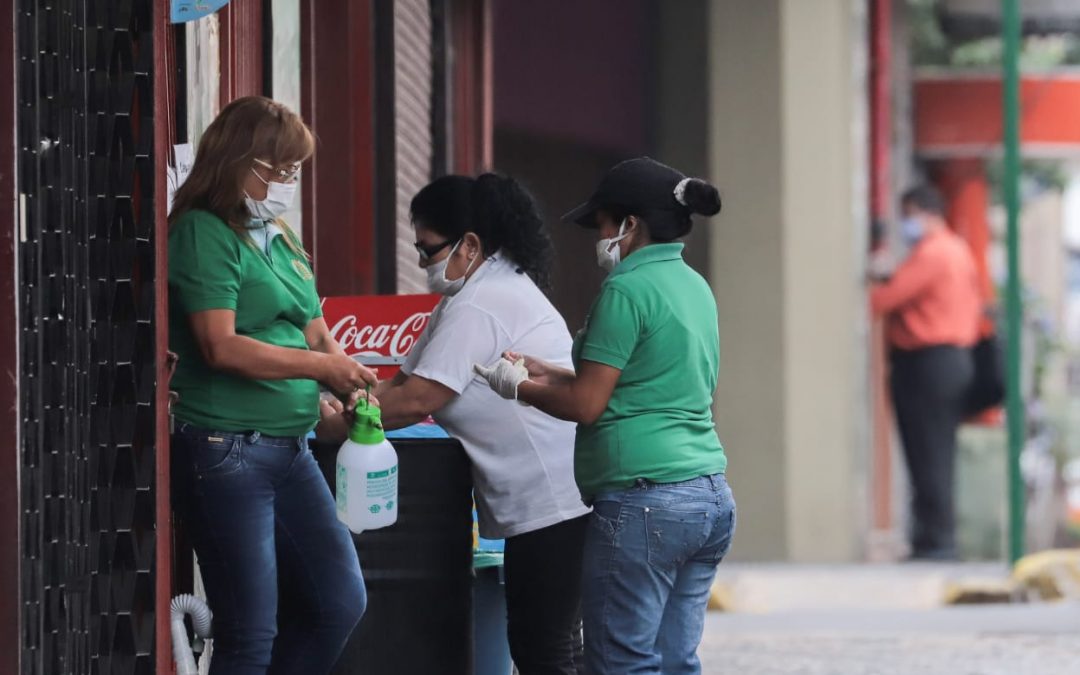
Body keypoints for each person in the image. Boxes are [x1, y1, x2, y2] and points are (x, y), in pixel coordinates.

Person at [320, 173, 592, 674]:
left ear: (469, 244)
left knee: (544, 650)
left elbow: (419, 399)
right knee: (547, 646)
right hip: (540, 504)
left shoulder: (484, 301)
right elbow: (400, 383)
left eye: (428, 251)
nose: (423, 264)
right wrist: (345, 396)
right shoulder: (465, 298)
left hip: (552, 503)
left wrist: (334, 428)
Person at [473, 157, 735, 674]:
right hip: (707, 497)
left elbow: (588, 405)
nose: (599, 236)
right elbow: (639, 385)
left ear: (629, 224)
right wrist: (545, 371)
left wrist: (518, 387)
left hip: (645, 506)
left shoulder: (626, 289)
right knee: (674, 661)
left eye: (602, 224)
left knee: (621, 662)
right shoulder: (693, 286)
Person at [168, 96, 376, 674]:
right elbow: (221, 345)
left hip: (291, 447)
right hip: (225, 447)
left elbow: (315, 329)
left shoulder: (280, 235)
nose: (287, 181)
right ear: (236, 159)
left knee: (338, 601)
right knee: (250, 631)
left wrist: (348, 375)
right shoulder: (201, 233)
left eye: (294, 170)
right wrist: (322, 370)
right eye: (277, 168)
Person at [870, 185, 981, 560]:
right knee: (937, 450)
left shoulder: (933, 253)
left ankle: (935, 542)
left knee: (926, 452)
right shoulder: (957, 249)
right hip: (951, 361)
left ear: (922, 211)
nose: (906, 224)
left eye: (908, 215)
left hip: (928, 362)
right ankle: (935, 537)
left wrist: (878, 275)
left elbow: (883, 299)